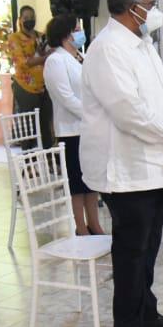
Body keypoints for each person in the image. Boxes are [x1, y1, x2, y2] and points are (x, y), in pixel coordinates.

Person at [81, 0, 163, 327]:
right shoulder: (107, 49)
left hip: (156, 164)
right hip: (126, 168)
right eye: (150, 2)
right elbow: (128, 111)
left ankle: (145, 311)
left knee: (148, 247)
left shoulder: (142, 44)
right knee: (131, 251)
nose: (155, 9)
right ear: (132, 8)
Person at [43, 14, 102, 235]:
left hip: (89, 128)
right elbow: (65, 98)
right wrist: (91, 114)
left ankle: (94, 223)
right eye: (76, 28)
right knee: (77, 182)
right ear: (66, 34)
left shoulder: (79, 56)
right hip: (71, 130)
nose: (80, 32)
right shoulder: (55, 60)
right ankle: (80, 226)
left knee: (91, 179)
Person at [7, 5, 54, 148]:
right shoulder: (14, 38)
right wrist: (44, 57)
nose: (30, 20)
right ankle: (29, 161)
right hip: (25, 87)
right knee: (29, 126)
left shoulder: (41, 36)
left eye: (32, 18)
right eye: (26, 18)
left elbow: (51, 52)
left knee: (45, 124)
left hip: (44, 86)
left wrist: (46, 55)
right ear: (20, 20)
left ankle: (48, 159)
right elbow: (22, 63)